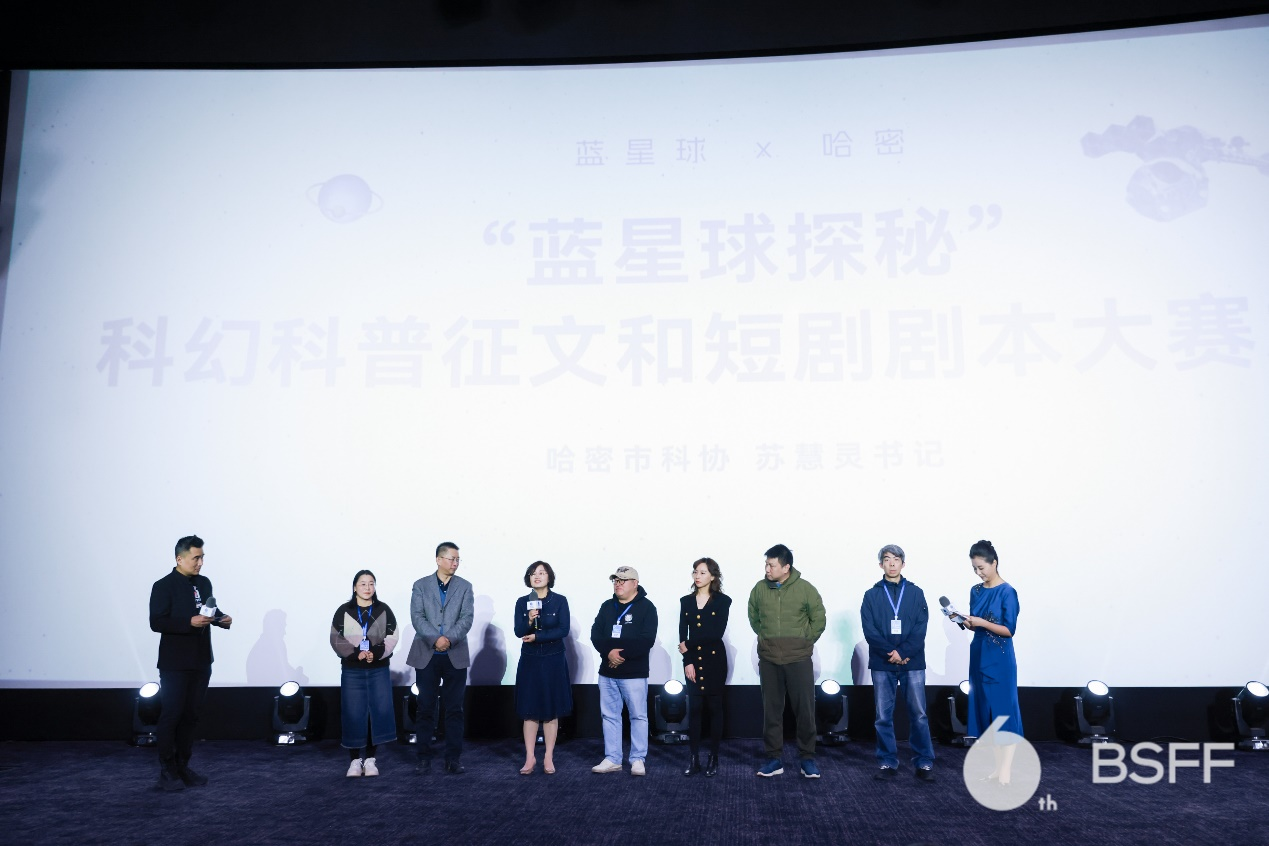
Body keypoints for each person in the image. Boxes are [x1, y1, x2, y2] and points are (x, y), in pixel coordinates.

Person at [148, 535, 232, 791]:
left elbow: (207, 611)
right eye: (196, 558)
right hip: (175, 662)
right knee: (172, 715)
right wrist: (188, 622)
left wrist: (221, 618)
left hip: (201, 659)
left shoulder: (204, 583)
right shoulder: (163, 585)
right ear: (179, 558)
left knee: (191, 716)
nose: (200, 563)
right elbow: (156, 622)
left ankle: (183, 766)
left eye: (202, 557)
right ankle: (167, 770)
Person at [747, 543, 825, 779]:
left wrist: (804, 641)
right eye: (766, 564)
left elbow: (818, 619)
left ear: (786, 567)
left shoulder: (805, 589)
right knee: (772, 712)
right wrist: (767, 639)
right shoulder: (759, 589)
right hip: (769, 659)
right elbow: (754, 618)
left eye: (771, 565)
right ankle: (774, 759)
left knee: (805, 711)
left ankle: (807, 758)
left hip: (798, 659)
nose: (767, 569)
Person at [860, 544, 935, 782]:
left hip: (913, 662)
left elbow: (920, 628)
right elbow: (870, 631)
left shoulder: (916, 593)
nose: (891, 563)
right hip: (882, 663)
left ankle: (923, 761)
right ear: (880, 564)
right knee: (883, 716)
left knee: (919, 714)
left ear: (903, 563)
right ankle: (887, 761)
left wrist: (904, 652)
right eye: (887, 559)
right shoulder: (871, 595)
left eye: (896, 559)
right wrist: (891, 653)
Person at [406, 541, 474, 775]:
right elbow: (417, 617)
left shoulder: (465, 586)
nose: (455, 563)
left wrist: (449, 639)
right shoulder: (420, 585)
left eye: (457, 560)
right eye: (451, 559)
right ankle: (423, 758)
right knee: (425, 708)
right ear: (438, 560)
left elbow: (466, 618)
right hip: (427, 654)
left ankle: (453, 758)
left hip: (455, 654)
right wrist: (435, 639)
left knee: (454, 709)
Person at [963, 539, 1023, 785]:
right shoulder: (975, 591)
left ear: (994, 563)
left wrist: (982, 623)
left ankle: (1006, 770)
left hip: (999, 659)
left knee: (1003, 712)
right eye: (975, 568)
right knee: (986, 713)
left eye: (981, 567)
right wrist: (966, 622)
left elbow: (1009, 630)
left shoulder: (1007, 592)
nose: (979, 573)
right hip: (979, 654)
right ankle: (998, 768)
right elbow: (975, 624)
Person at [590, 566, 658, 776]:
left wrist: (620, 655)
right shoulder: (607, 606)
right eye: (615, 580)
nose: (618, 584)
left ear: (635, 583)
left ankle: (637, 759)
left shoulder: (647, 607)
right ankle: (613, 758)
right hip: (607, 672)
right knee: (610, 716)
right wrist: (608, 653)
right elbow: (596, 633)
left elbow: (646, 640)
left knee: (638, 716)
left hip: (634, 673)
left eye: (623, 580)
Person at [330, 569, 398, 777]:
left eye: (371, 583)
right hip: (353, 670)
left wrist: (375, 653)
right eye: (363, 584)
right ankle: (354, 760)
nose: (367, 588)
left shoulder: (383, 609)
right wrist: (356, 653)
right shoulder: (344, 610)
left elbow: (392, 635)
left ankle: (370, 759)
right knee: (353, 713)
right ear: (354, 587)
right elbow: (335, 638)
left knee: (376, 713)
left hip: (378, 669)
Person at [513, 561, 573, 775]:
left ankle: (548, 756)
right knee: (529, 710)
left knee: (550, 710)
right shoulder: (522, 602)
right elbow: (518, 631)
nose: (536, 576)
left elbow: (563, 630)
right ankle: (530, 757)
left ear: (549, 577)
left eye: (541, 572)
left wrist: (538, 637)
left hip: (552, 659)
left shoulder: (559, 601)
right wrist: (529, 621)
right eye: (532, 573)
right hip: (530, 660)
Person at [677, 557, 731, 777]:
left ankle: (713, 758)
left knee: (715, 709)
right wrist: (687, 661)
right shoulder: (686, 601)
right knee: (695, 710)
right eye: (695, 572)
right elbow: (682, 634)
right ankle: (694, 759)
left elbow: (715, 634)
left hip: (714, 661)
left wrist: (688, 645)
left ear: (713, 576)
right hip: (693, 662)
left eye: (702, 572)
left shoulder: (723, 601)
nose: (697, 576)